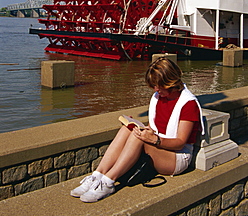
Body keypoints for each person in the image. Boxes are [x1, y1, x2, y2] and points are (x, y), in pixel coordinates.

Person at [70, 57, 204, 203]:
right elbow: (156, 127)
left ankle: (108, 182)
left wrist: (153, 139)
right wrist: (142, 128)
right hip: (160, 147)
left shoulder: (188, 104)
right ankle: (97, 175)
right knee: (128, 129)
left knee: (137, 137)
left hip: (177, 157)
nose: (156, 90)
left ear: (170, 82)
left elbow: (180, 142)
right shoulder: (158, 96)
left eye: (159, 86)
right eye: (154, 86)